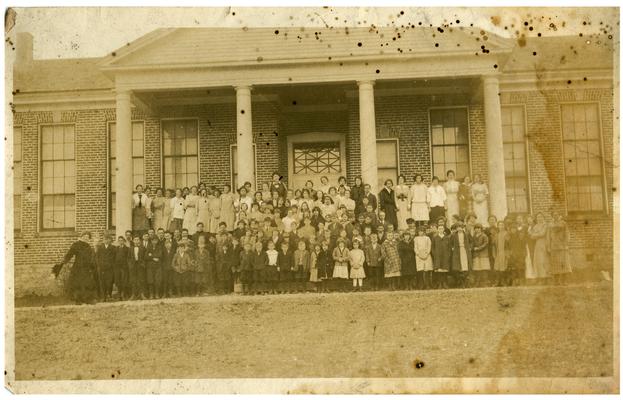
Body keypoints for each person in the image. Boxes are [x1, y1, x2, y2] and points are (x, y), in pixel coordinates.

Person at [57, 231, 98, 304]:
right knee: (77, 283)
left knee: (87, 283)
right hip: (78, 267)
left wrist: (92, 266)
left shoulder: (88, 246)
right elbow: (70, 254)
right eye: (85, 236)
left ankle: (86, 299)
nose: (86, 238)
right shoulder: (76, 245)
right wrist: (65, 261)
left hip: (86, 268)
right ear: (81, 237)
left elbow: (91, 257)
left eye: (88, 237)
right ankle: (78, 300)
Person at [547, 211, 572, 285]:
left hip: (562, 246)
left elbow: (567, 234)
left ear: (559, 215)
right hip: (554, 247)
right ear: (552, 216)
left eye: (557, 215)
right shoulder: (550, 224)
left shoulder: (563, 223)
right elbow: (548, 236)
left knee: (564, 264)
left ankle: (564, 281)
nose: (555, 216)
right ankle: (556, 281)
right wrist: (548, 246)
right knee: (555, 264)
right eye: (554, 215)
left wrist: (567, 244)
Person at [528, 212, 549, 284]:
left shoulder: (545, 225)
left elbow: (543, 233)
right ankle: (541, 278)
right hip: (537, 244)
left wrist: (535, 234)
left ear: (543, 218)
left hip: (544, 244)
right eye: (538, 217)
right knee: (538, 261)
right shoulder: (535, 226)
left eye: (541, 217)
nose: (539, 218)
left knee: (544, 260)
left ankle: (546, 278)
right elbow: (531, 236)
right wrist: (536, 234)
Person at [450, 222, 472, 288]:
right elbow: (450, 242)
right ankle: (460, 282)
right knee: (458, 267)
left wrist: (470, 247)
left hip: (465, 251)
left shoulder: (467, 234)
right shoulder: (454, 235)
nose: (459, 228)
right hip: (457, 251)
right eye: (458, 227)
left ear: (463, 228)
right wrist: (452, 247)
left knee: (465, 265)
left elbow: (471, 241)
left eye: (460, 227)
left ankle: (465, 282)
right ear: (456, 228)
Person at [95, 234, 115, 301]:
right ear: (103, 240)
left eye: (108, 239)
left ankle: (109, 294)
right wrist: (99, 265)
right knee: (103, 282)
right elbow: (97, 257)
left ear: (110, 240)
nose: (106, 240)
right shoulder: (100, 248)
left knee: (109, 281)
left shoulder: (113, 248)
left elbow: (114, 258)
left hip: (110, 268)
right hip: (102, 268)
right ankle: (104, 296)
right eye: (105, 239)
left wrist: (111, 265)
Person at [431, 224, 452, 289]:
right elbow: (433, 247)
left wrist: (448, 255)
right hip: (438, 257)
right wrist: (435, 254)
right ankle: (440, 283)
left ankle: (445, 283)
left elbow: (449, 247)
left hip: (445, 256)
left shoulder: (447, 238)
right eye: (439, 229)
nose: (440, 230)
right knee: (439, 271)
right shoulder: (435, 238)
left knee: (444, 270)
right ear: (437, 230)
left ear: (444, 229)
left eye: (442, 229)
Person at [507, 222, 527, 286]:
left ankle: (521, 281)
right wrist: (508, 254)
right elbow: (506, 247)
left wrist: (523, 254)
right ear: (510, 230)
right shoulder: (508, 237)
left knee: (520, 268)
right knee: (513, 268)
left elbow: (523, 246)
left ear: (516, 229)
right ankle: (514, 281)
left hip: (520, 254)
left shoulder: (520, 237)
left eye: (514, 229)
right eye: (512, 229)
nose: (513, 230)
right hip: (512, 255)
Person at [128, 235, 147, 300]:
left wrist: (142, 264)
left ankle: (142, 294)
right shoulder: (130, 248)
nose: (136, 241)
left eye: (137, 240)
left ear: (139, 241)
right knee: (133, 280)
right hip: (133, 266)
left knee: (141, 280)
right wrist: (130, 265)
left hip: (140, 266)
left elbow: (145, 257)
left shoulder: (143, 248)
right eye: (135, 240)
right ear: (133, 241)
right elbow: (128, 258)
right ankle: (133, 294)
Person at [492, 220, 510, 286]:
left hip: (504, 252)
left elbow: (509, 244)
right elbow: (493, 245)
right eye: (499, 225)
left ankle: (503, 281)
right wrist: (494, 253)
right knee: (497, 267)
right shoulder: (496, 235)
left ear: (504, 226)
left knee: (504, 267)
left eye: (502, 225)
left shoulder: (507, 233)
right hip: (498, 252)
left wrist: (508, 254)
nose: (501, 226)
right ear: (498, 226)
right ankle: (498, 282)